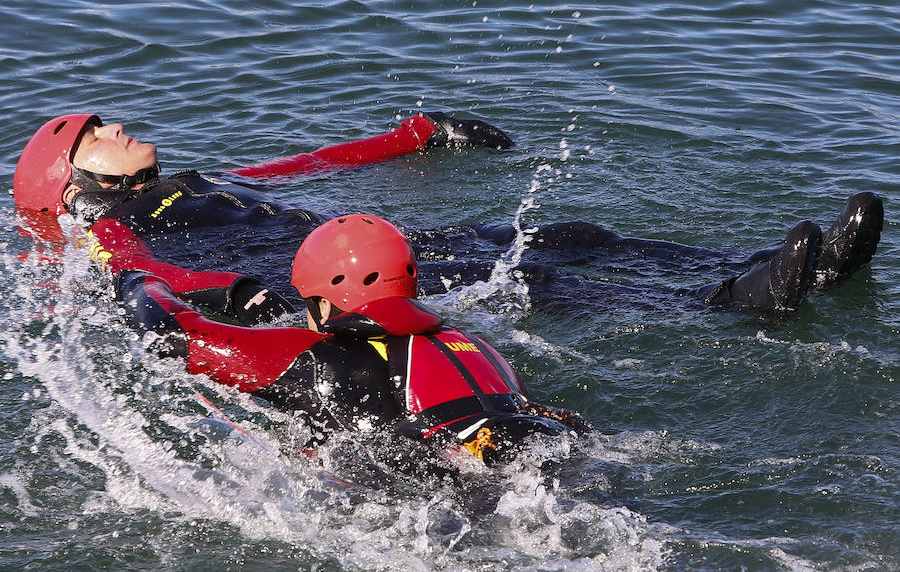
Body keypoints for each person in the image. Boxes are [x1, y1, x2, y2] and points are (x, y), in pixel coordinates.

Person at [13, 112, 884, 313]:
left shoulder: (202, 181)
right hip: (336, 276)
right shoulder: (115, 229)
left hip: (400, 237)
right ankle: (734, 303)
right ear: (72, 180)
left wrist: (416, 134)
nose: (117, 127)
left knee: (572, 236)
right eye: (96, 133)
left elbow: (309, 163)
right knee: (533, 279)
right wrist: (254, 303)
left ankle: (765, 260)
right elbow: (144, 278)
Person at [100, 214, 593, 466]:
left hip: (441, 496)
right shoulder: (478, 349)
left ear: (323, 302)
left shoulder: (317, 357)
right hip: (545, 451)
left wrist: (137, 280)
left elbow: (170, 337)